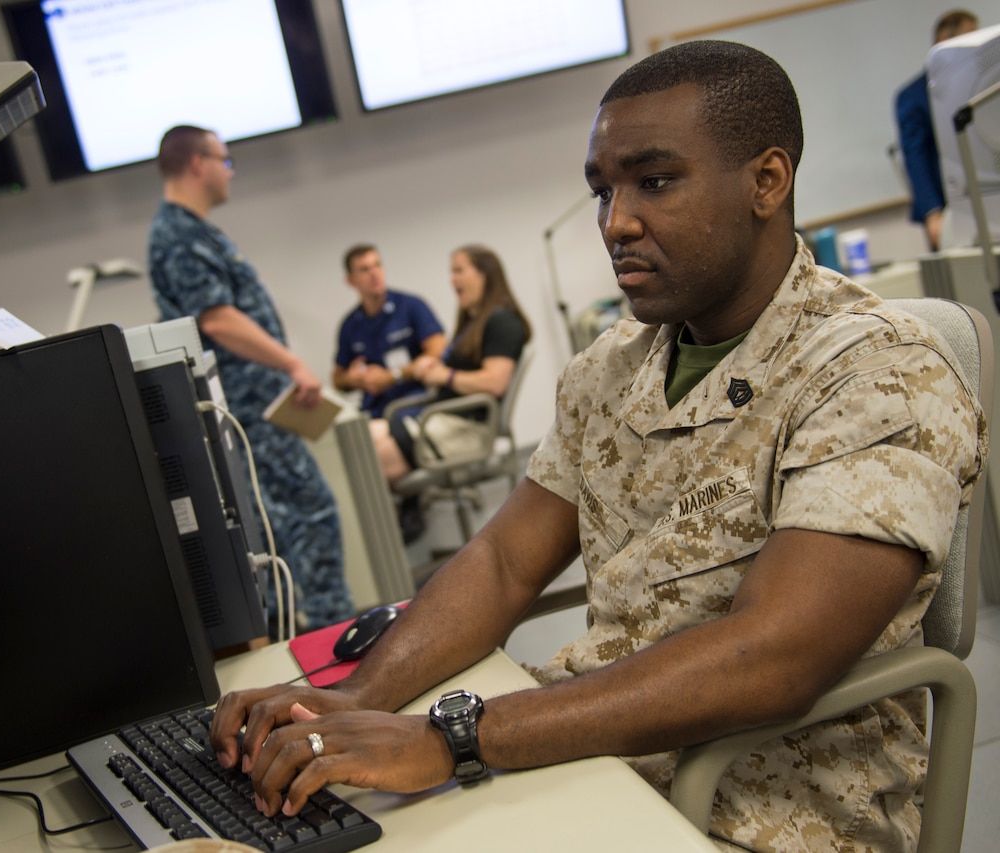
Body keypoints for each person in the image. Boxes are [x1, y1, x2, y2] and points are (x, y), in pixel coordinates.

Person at [209, 41, 986, 853]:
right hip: (584, 754)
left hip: (766, 809)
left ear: (767, 181)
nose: (616, 221)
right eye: (602, 190)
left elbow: (776, 654)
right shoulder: (611, 369)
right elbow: (507, 560)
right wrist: (359, 697)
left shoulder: (877, 370)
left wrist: (454, 737)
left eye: (654, 181)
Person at [147, 124, 354, 632]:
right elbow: (216, 318)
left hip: (256, 407)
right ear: (198, 163)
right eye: (225, 159)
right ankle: (337, 643)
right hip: (249, 410)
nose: (229, 170)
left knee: (273, 530)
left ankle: (294, 638)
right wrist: (290, 362)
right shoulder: (178, 236)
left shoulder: (193, 231)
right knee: (310, 513)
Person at [373, 245, 530, 485]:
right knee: (365, 437)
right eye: (451, 272)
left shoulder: (502, 321)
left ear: (484, 275)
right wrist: (433, 367)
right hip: (441, 419)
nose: (452, 279)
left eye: (459, 271)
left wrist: (444, 376)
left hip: (463, 429)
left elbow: (495, 382)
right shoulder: (473, 323)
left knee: (367, 462)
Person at [895, 9, 979, 251]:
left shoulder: (983, 85)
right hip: (948, 209)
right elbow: (915, 155)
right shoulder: (914, 96)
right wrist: (933, 213)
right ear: (946, 44)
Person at [332, 244, 446, 420]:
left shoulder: (411, 307)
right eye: (364, 270)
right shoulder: (350, 325)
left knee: (390, 426)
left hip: (416, 397)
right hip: (375, 403)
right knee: (351, 430)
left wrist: (393, 376)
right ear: (351, 281)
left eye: (377, 265)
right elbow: (337, 377)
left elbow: (438, 351)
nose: (374, 274)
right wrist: (352, 379)